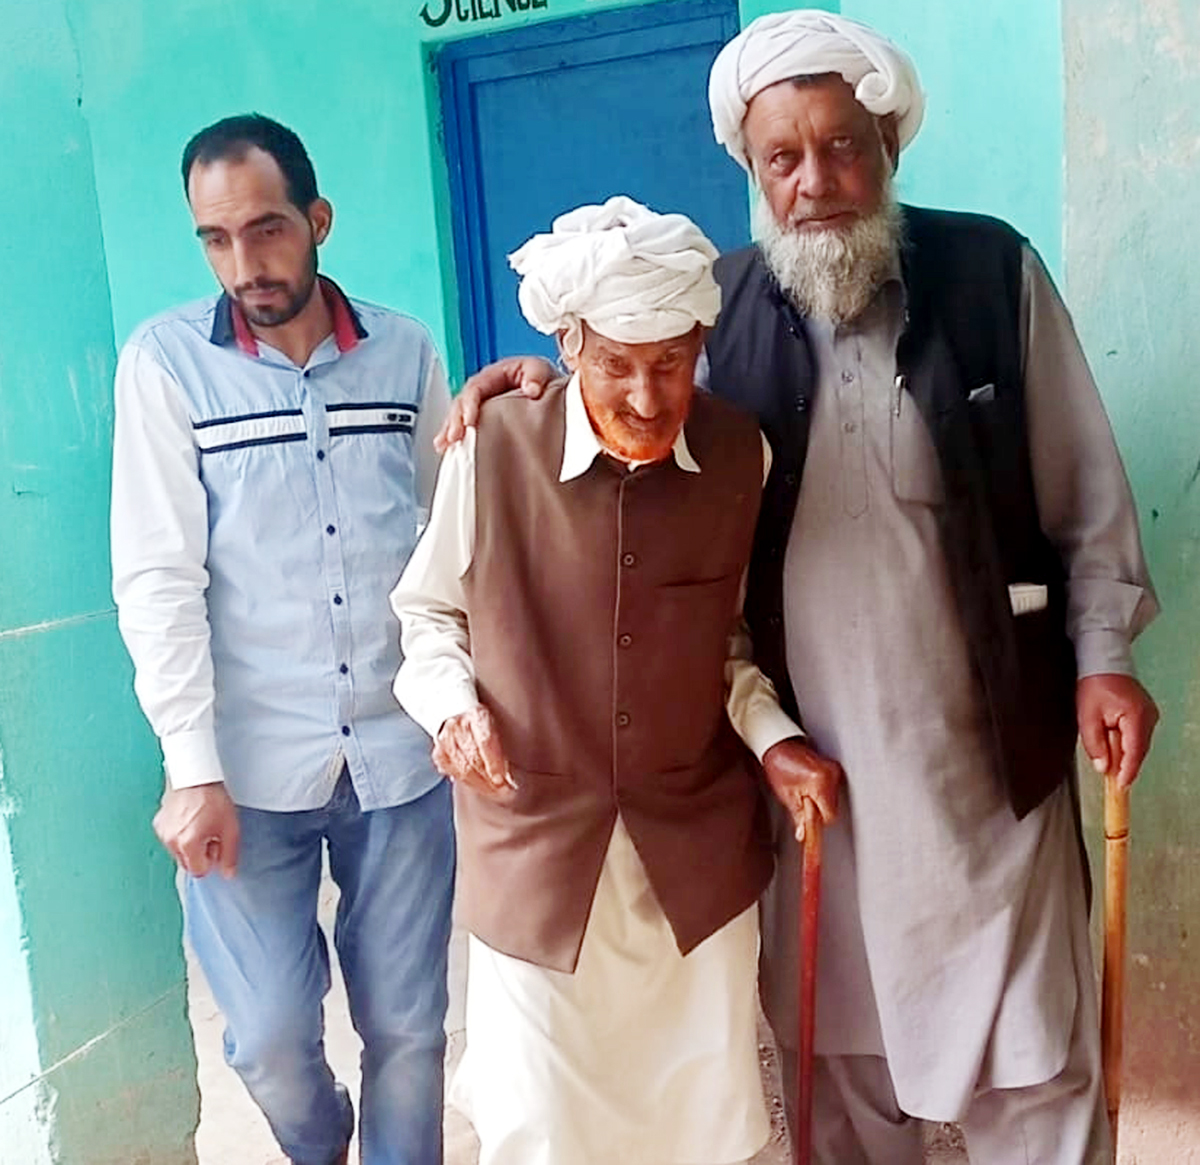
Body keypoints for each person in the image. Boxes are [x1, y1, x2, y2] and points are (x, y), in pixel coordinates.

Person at [440, 12, 1161, 1165]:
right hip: (807, 770)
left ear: (889, 149)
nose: (816, 182)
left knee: (1032, 1049)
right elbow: (626, 402)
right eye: (783, 158)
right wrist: (535, 380)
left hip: (986, 763)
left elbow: (1085, 497)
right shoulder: (714, 311)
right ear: (752, 172)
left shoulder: (990, 274)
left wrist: (1105, 655)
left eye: (843, 148)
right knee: (838, 1059)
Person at [390, 196, 840, 1165]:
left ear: (700, 346)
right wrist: (452, 707)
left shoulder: (737, 455)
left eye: (671, 363)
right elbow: (427, 614)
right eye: (615, 365)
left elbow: (725, 641)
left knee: (700, 1119)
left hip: (691, 858)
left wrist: (776, 740)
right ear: (569, 341)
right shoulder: (494, 449)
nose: (646, 395)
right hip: (537, 854)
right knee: (546, 1126)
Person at [111, 114, 454, 1165]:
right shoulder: (168, 365)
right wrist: (189, 765)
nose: (244, 263)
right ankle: (323, 1146)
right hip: (246, 772)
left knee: (409, 1029)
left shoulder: (405, 354)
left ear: (318, 219)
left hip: (400, 756)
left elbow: (452, 546)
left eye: (265, 229)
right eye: (215, 239)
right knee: (266, 1039)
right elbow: (158, 577)